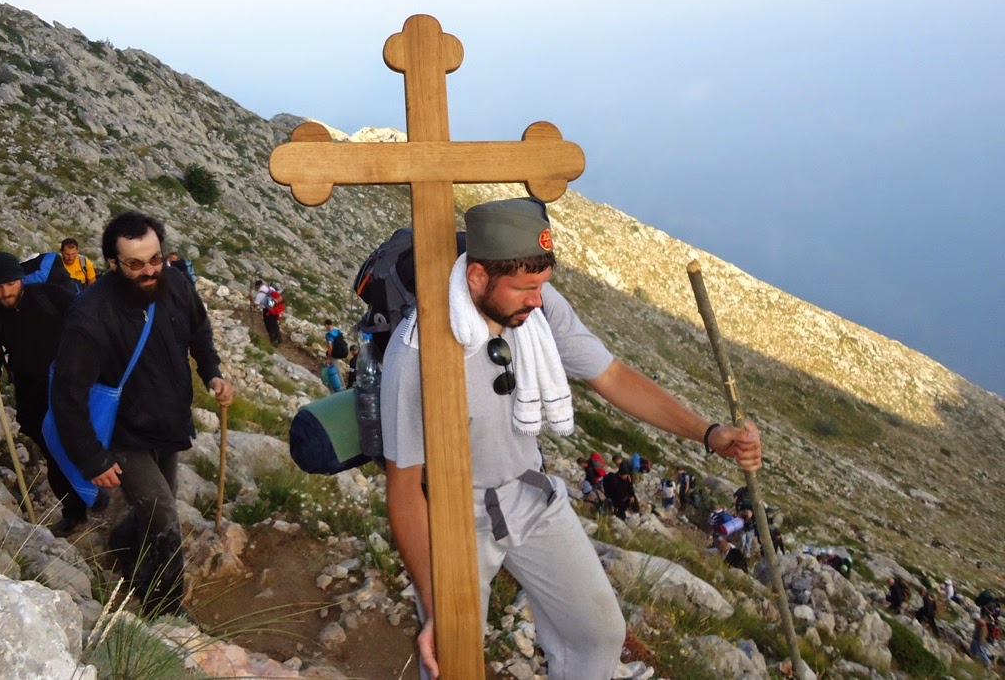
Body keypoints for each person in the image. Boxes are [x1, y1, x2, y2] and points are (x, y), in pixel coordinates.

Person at [381, 196, 762, 679]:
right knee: (452, 659)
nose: (537, 300)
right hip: (454, 515)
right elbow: (404, 490)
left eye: (543, 285)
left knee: (599, 636)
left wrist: (709, 434)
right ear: (477, 277)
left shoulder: (539, 311)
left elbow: (613, 377)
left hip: (530, 493)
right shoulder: (415, 353)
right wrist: (436, 608)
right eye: (524, 288)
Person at [49, 210, 234, 616]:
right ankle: (165, 608)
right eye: (135, 263)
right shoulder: (91, 315)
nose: (149, 270)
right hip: (123, 434)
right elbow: (67, 393)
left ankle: (124, 546)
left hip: (167, 422)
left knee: (154, 507)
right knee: (164, 512)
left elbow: (199, 331)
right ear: (113, 264)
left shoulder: (177, 283)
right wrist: (91, 457)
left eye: (155, 258)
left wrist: (213, 373)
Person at [0, 252, 90, 534]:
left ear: (21, 278)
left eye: (11, 283)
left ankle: (95, 495)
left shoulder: (52, 297)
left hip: (72, 387)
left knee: (80, 444)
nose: (5, 292)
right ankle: (75, 512)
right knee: (55, 453)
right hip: (33, 398)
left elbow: (90, 327)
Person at [252, 278, 283, 345]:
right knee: (275, 324)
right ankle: (279, 338)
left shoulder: (260, 293)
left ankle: (274, 341)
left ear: (257, 286)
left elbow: (256, 305)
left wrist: (251, 299)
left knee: (269, 325)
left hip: (267, 311)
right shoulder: (270, 288)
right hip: (274, 308)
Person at [322, 319, 344, 393]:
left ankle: (340, 387)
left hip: (333, 354)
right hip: (339, 352)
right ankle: (338, 385)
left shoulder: (329, 335)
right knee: (336, 368)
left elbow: (330, 347)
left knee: (336, 369)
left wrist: (328, 358)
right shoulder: (337, 331)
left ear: (327, 325)